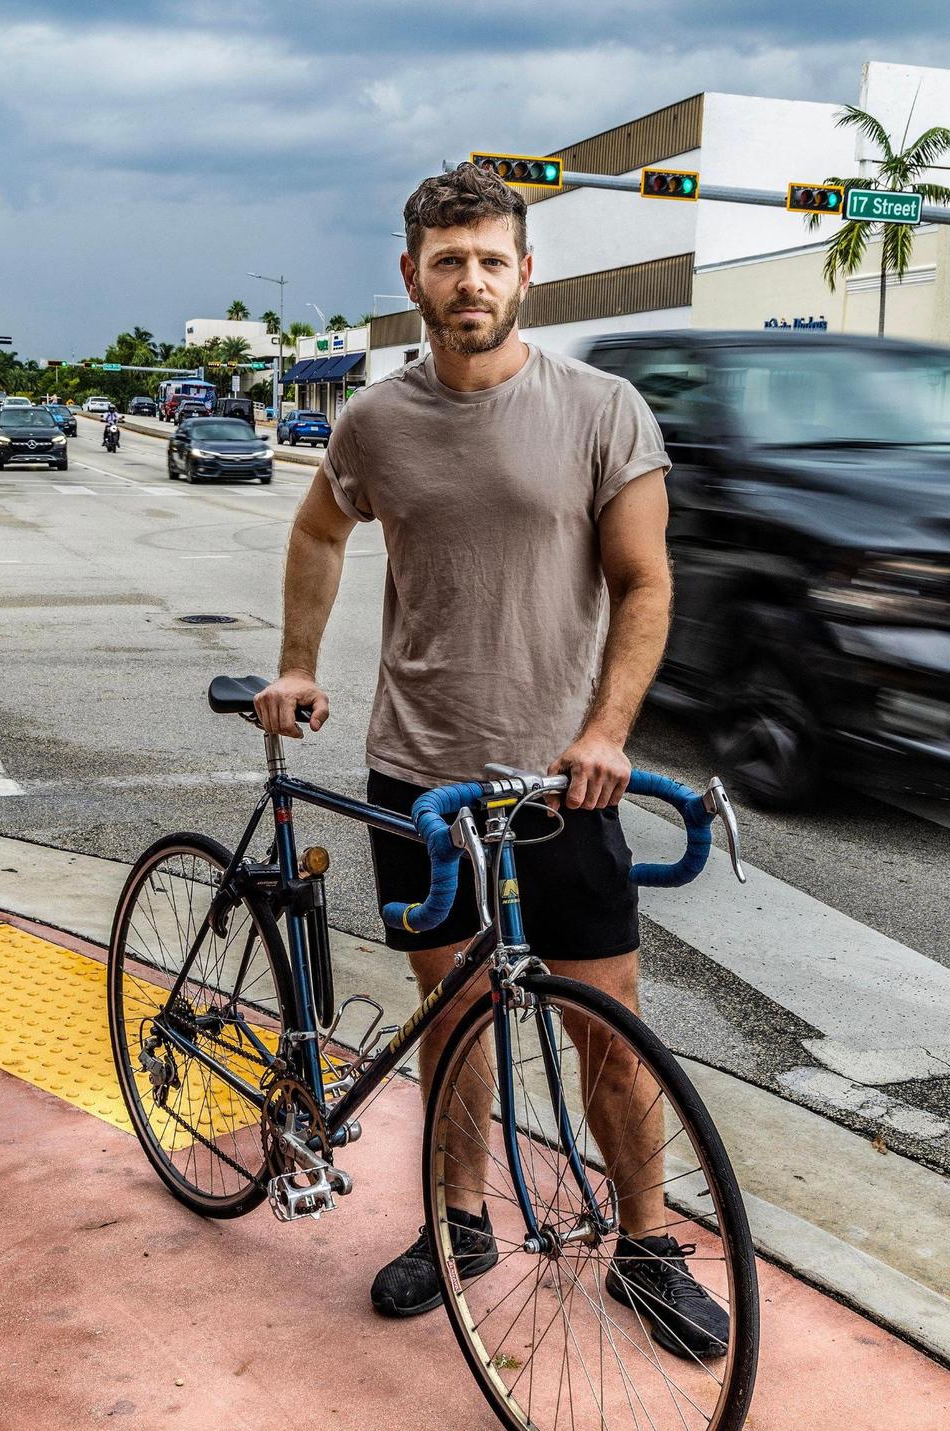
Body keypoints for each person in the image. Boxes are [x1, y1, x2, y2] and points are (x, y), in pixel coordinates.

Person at [255, 162, 728, 1358]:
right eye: (448, 259)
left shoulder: (601, 408)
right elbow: (320, 525)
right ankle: (460, 1225)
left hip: (561, 781)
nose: (471, 279)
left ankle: (647, 1243)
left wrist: (608, 729)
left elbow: (645, 582)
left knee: (608, 1029)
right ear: (410, 274)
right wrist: (299, 660)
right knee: (453, 1006)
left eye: (492, 258)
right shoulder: (373, 421)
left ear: (530, 273)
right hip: (417, 772)